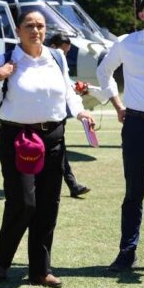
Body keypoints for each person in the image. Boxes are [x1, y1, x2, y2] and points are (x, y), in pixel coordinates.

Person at [0, 10, 95, 288]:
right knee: (23, 203)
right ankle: (2, 261)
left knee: (48, 205)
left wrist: (79, 112)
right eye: (29, 26)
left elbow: (68, 91)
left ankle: (40, 271)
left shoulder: (55, 57)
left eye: (41, 26)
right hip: (18, 137)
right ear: (18, 31)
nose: (36, 31)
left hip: (53, 136)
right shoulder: (6, 59)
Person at [97, 0, 144, 272]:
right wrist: (117, 104)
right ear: (142, 15)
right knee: (134, 191)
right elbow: (104, 71)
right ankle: (127, 252)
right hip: (135, 125)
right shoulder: (125, 44)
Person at [46, 33, 91, 198]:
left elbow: (65, 82)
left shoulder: (59, 61)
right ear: (52, 47)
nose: (64, 55)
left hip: (57, 117)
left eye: (67, 52)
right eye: (63, 51)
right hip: (42, 118)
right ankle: (72, 185)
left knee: (59, 153)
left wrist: (78, 86)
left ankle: (72, 185)